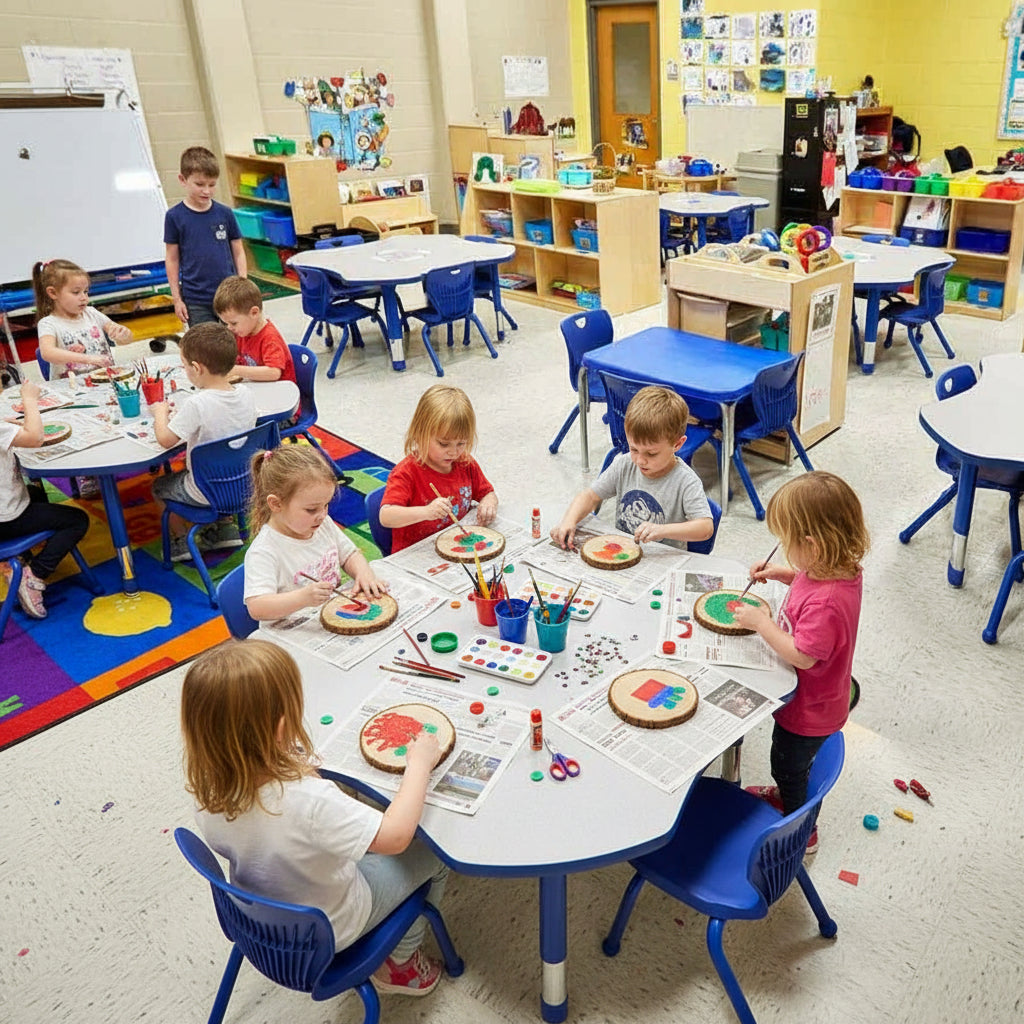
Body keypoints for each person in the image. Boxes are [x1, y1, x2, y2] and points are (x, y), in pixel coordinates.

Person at [181, 639, 450, 994]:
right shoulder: (308, 803)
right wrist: (419, 764)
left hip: (265, 920)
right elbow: (396, 838)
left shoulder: (207, 789)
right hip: (334, 923)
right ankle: (401, 962)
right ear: (279, 730)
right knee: (436, 853)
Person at [732, 470, 869, 854]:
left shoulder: (827, 604)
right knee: (795, 765)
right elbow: (811, 581)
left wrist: (761, 623)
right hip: (820, 698)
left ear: (813, 544)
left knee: (788, 765)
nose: (782, 546)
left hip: (808, 710)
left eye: (786, 541)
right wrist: (784, 574)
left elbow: (802, 656)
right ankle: (791, 792)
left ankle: (801, 830)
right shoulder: (837, 569)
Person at [551, 386, 713, 551]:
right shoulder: (625, 464)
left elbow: (705, 528)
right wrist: (569, 521)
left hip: (661, 559)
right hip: (623, 551)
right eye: (634, 449)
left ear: (677, 444)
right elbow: (590, 496)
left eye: (651, 453)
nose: (640, 460)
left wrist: (662, 530)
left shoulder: (686, 481)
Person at [150, 322, 256, 561]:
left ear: (196, 368)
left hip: (205, 492)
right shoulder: (247, 395)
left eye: (185, 366)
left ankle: (180, 542)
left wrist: (160, 413)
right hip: (246, 485)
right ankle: (226, 529)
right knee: (220, 461)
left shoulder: (197, 404)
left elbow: (166, 440)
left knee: (159, 487)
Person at [244, 445, 386, 621]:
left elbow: (349, 554)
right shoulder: (264, 551)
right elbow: (257, 607)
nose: (322, 515)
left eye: (325, 505)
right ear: (276, 504)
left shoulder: (322, 524)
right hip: (294, 631)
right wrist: (303, 598)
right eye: (311, 509)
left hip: (331, 616)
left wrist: (363, 573)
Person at [0, 379, 90, 619]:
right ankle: (33, 575)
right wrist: (29, 399)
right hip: (5, 520)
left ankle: (17, 560)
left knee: (38, 494)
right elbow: (36, 438)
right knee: (78, 520)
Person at [379, 385, 497, 554]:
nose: (453, 451)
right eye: (443, 444)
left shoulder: (465, 463)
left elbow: (487, 492)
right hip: (418, 555)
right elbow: (386, 516)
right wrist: (426, 512)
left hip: (457, 548)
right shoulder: (406, 473)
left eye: (461, 443)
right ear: (420, 434)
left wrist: (488, 504)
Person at [164, 146, 246, 327]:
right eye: (199, 185)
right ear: (183, 180)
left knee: (234, 345)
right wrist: (177, 299)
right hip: (196, 299)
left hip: (229, 294)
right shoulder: (174, 217)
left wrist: (243, 285)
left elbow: (238, 251)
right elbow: (172, 259)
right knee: (205, 348)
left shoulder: (225, 213)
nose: (206, 191)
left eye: (212, 185)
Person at [34, 259, 133, 377]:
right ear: (53, 293)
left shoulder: (92, 313)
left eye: (85, 292)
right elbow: (47, 353)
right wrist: (89, 359)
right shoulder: (48, 323)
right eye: (76, 292)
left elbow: (124, 339)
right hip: (71, 389)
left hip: (105, 382)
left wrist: (124, 334)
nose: (84, 298)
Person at [212, 276, 296, 384]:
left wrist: (236, 370)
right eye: (226, 323)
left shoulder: (269, 337)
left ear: (254, 313)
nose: (229, 328)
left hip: (280, 394)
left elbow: (274, 372)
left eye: (233, 323)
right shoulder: (243, 332)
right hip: (258, 387)